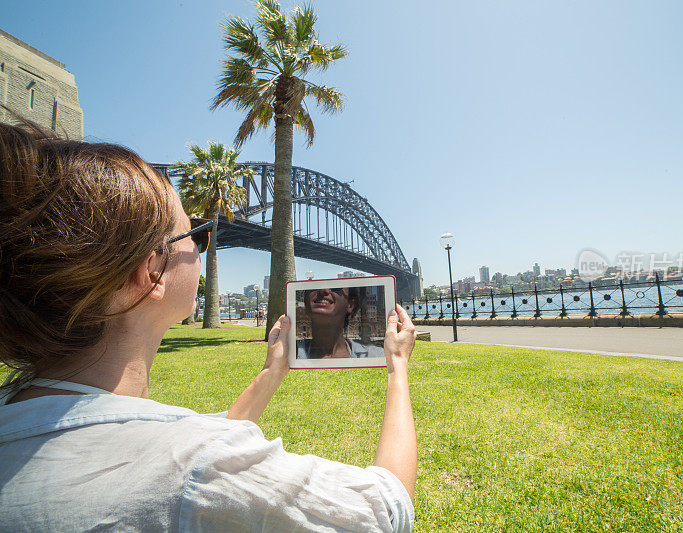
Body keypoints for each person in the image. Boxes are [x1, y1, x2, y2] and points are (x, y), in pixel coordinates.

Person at [0, 122, 417, 531]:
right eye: (194, 235)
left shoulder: (13, 411)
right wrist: (397, 370)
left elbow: (190, 443)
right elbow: (385, 510)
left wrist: (273, 371)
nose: (201, 249)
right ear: (153, 272)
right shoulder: (198, 467)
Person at [297, 287, 384, 359]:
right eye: (315, 284)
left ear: (350, 305)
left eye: (336, 287)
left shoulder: (377, 356)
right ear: (305, 301)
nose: (324, 290)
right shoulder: (288, 354)